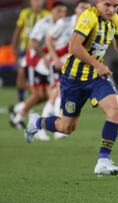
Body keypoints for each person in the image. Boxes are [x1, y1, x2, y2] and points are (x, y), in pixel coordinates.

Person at [24, 0, 118, 176]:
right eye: (107, 5)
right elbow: (73, 47)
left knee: (116, 110)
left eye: (115, 6)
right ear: (98, 3)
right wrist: (97, 64)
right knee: (67, 128)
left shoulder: (115, 20)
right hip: (73, 79)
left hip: (96, 78)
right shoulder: (88, 17)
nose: (112, 9)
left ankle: (103, 161)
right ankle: (37, 122)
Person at [35, 0, 92, 141]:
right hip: (59, 62)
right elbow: (49, 38)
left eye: (87, 8)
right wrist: (54, 58)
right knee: (57, 91)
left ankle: (47, 126)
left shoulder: (90, 24)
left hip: (72, 65)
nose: (84, 10)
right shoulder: (65, 22)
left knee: (59, 93)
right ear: (77, 9)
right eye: (82, 7)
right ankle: (43, 127)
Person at [9, 1, 67, 131]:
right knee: (37, 94)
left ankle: (18, 109)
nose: (62, 14)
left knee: (45, 95)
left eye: (64, 11)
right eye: (59, 11)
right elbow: (33, 44)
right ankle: (18, 116)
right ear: (52, 11)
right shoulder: (44, 23)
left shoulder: (61, 25)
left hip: (45, 63)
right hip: (34, 61)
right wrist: (44, 57)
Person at [11, 0, 50, 102]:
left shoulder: (47, 15)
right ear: (31, 2)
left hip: (39, 51)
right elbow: (18, 29)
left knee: (33, 75)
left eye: (39, 1)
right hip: (25, 49)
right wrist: (13, 45)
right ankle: (21, 99)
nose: (37, 2)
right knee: (21, 73)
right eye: (34, 0)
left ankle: (31, 98)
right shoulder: (25, 13)